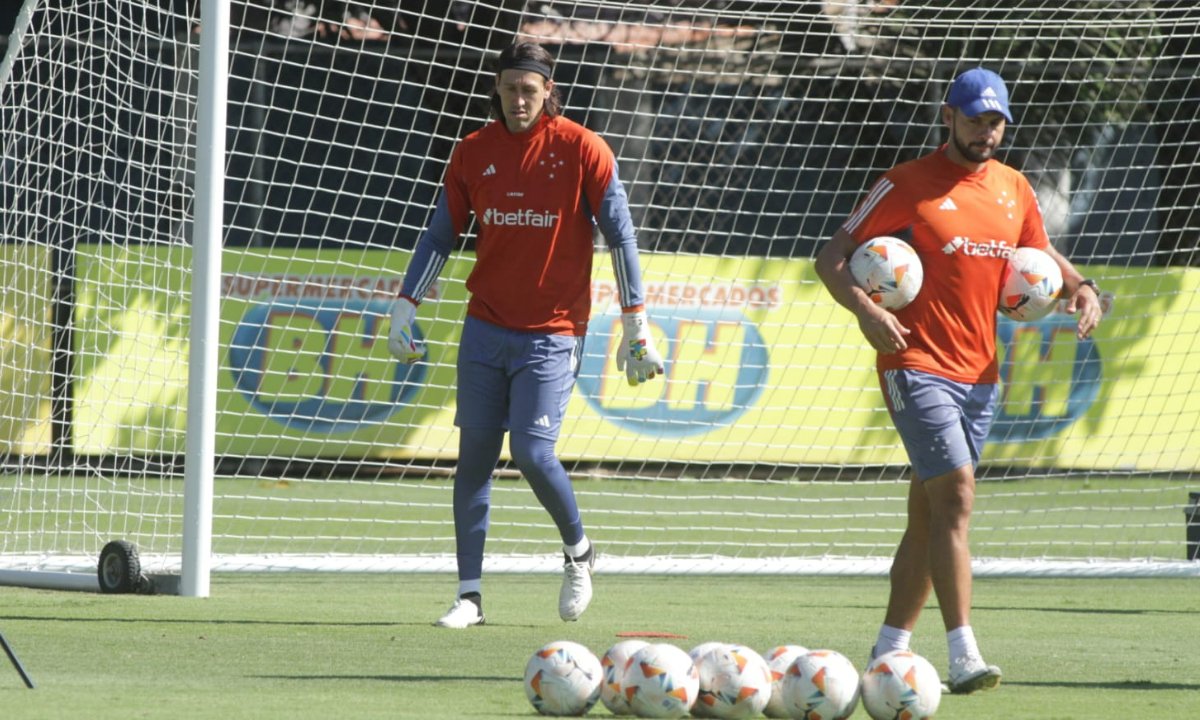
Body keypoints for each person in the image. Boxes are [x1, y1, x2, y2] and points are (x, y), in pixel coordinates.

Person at [814, 68, 1103, 693]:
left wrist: (1080, 288)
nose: (986, 131)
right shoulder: (905, 183)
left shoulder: (1014, 188)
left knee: (930, 514)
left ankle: (887, 651)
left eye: (995, 121)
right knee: (959, 497)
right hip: (913, 364)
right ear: (949, 116)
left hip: (981, 375)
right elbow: (830, 257)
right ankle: (963, 653)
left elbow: (1042, 254)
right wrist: (868, 312)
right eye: (975, 119)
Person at [387, 41, 663, 629]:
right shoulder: (472, 152)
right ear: (498, 89)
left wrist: (635, 320)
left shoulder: (583, 149)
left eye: (529, 90)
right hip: (485, 326)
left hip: (554, 331)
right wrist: (405, 304)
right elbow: (441, 236)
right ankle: (470, 598)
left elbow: (621, 237)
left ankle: (580, 551)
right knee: (475, 462)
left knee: (534, 455)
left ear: (548, 92)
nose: (518, 99)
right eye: (510, 88)